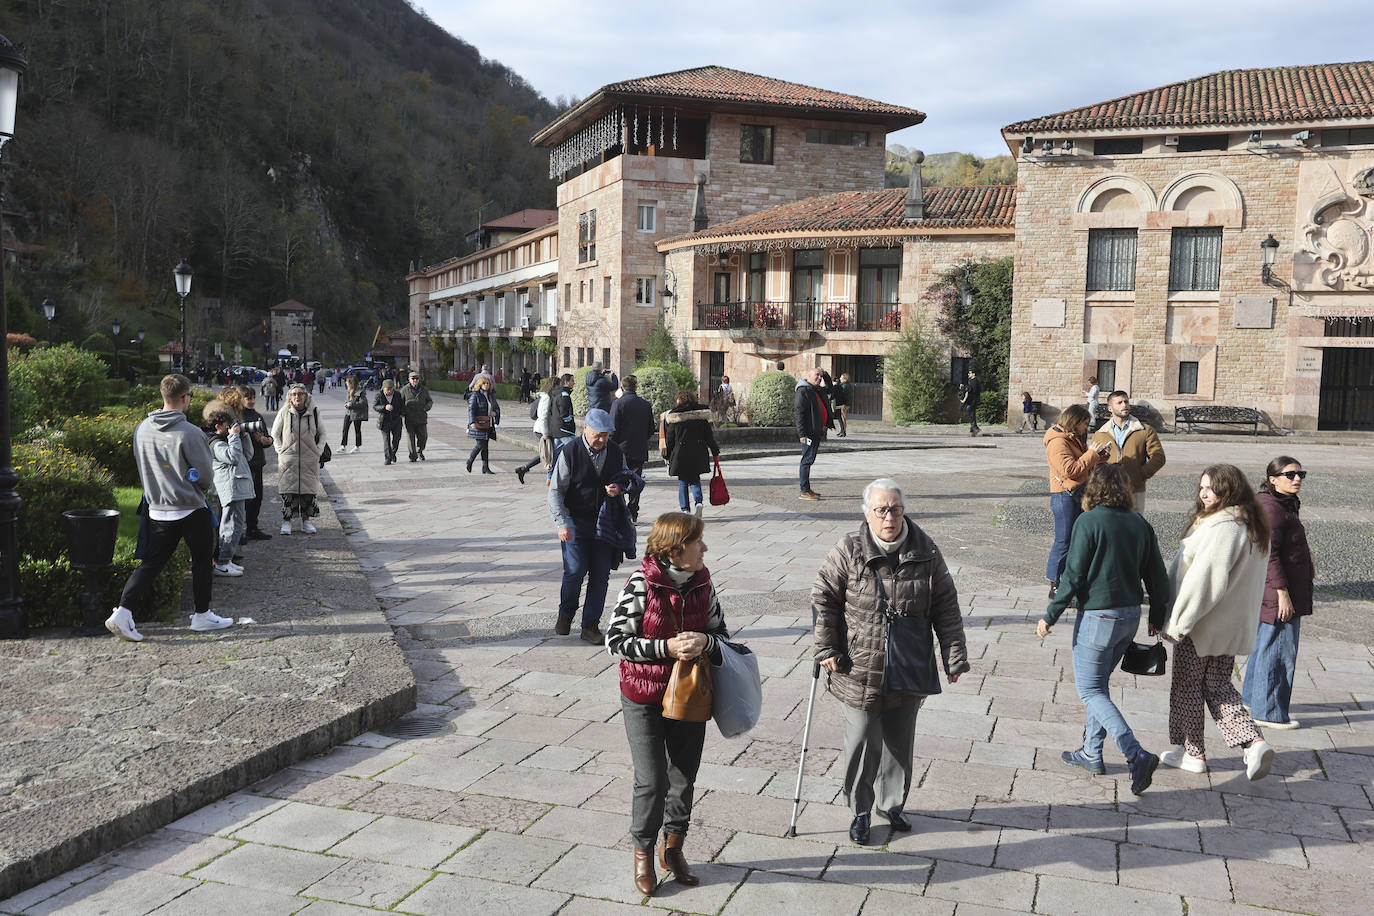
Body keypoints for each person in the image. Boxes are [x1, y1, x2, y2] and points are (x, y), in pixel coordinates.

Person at [813, 479, 970, 845]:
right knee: (863, 740)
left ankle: (891, 803)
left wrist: (954, 656)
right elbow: (823, 598)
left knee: (900, 741)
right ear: (867, 513)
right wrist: (826, 649)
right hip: (859, 666)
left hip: (908, 662)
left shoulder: (926, 550)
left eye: (895, 509)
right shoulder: (849, 549)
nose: (889, 517)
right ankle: (861, 810)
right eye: (881, 510)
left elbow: (946, 605)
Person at [607, 511, 729, 895]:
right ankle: (643, 853)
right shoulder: (642, 583)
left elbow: (721, 634)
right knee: (652, 779)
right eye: (698, 542)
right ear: (676, 549)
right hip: (643, 695)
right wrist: (666, 647)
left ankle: (672, 849)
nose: (704, 547)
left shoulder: (704, 584)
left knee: (684, 774)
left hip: (689, 695)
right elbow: (615, 640)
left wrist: (705, 643)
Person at [1038, 464, 1170, 795]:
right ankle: (1091, 753)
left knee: (1090, 690)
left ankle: (1135, 753)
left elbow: (1073, 575)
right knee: (1100, 687)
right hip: (1129, 617)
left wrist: (1050, 614)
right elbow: (1157, 574)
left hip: (1097, 619)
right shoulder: (1139, 523)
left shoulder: (1089, 521)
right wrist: (1157, 614)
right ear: (1124, 489)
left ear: (1093, 488)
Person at [1160, 464, 1275, 780]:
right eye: (1201, 487)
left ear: (1230, 490)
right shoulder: (1250, 525)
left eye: (1211, 487)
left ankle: (1193, 752)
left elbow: (1205, 581)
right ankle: (1253, 743)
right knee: (1217, 685)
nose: (1204, 493)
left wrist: (1178, 623)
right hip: (1230, 627)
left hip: (1202, 625)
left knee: (1188, 687)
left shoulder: (1223, 527)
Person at [104, 374, 234, 640]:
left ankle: (123, 612)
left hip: (157, 508)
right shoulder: (190, 432)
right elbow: (207, 478)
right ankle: (201, 615)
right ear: (185, 398)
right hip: (189, 507)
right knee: (201, 561)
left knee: (151, 563)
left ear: (163, 396)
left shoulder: (142, 428)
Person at [1242, 457, 1314, 730]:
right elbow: (1268, 554)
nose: (1297, 479)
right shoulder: (1273, 509)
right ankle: (1268, 711)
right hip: (1280, 592)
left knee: (1265, 645)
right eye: (1290, 474)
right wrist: (1282, 593)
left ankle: (1252, 699)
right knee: (1280, 651)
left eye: (1300, 474)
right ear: (1272, 479)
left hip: (1274, 589)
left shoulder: (1279, 504)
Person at [548, 407, 628, 642]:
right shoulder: (569, 451)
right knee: (574, 571)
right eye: (598, 435)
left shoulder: (614, 452)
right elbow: (555, 491)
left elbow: (628, 477)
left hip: (605, 523)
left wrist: (620, 487)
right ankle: (566, 613)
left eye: (606, 435)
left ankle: (590, 626)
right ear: (586, 429)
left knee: (600, 575)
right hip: (574, 520)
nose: (602, 440)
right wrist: (562, 523)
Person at [1043, 404, 1111, 599]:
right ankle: (1055, 585)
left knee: (1078, 540)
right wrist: (1091, 454)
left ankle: (1074, 580)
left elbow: (1082, 463)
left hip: (1078, 493)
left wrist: (1099, 457)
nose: (1086, 428)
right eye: (1084, 423)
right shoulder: (1058, 442)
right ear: (1074, 421)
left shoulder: (1072, 438)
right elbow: (1070, 470)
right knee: (1063, 540)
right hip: (1065, 496)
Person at [1090, 390, 1165, 514]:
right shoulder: (1100, 434)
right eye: (1119, 403)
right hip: (1108, 490)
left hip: (1135, 489)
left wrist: (1140, 475)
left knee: (1134, 527)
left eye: (1126, 402)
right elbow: (1093, 462)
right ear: (1110, 408)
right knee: (1112, 528)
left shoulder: (1144, 430)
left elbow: (1158, 457)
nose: (1124, 405)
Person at [203, 400, 255, 576]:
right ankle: (222, 563)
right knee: (230, 526)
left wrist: (244, 436)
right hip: (229, 489)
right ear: (218, 426)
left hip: (237, 487)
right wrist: (234, 436)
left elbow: (247, 455)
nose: (231, 428)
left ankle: (228, 560)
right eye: (228, 426)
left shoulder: (228, 439)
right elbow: (232, 457)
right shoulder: (215, 442)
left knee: (237, 525)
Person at [271, 384, 324, 535]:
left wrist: (318, 450)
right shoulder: (284, 412)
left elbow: (323, 433)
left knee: (308, 491)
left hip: (309, 458)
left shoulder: (314, 411)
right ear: (289, 396)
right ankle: (286, 522)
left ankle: (306, 521)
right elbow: (275, 433)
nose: (297, 396)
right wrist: (280, 450)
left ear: (305, 396)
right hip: (289, 458)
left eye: (300, 393)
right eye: (294, 394)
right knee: (288, 491)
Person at [663, 390, 719, 518]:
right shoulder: (701, 417)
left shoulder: (675, 418)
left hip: (680, 454)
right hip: (698, 453)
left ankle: (685, 510)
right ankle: (698, 503)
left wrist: (666, 456)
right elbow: (709, 437)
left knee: (683, 482)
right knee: (695, 480)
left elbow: (669, 441)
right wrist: (715, 451)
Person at [610, 374, 654, 520]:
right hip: (639, 448)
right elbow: (650, 429)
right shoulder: (645, 404)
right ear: (636, 386)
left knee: (619, 480)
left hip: (620, 449)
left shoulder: (618, 404)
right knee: (635, 481)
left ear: (622, 388)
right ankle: (633, 512)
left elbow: (613, 428)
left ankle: (620, 511)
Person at [236, 386, 274, 541]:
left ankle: (252, 528)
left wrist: (266, 440)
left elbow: (268, 438)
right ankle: (240, 532)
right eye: (248, 398)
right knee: (245, 499)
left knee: (257, 497)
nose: (251, 401)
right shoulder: (238, 416)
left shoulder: (258, 416)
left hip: (258, 461)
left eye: (253, 398)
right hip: (245, 463)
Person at [516, 376, 559, 486]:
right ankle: (550, 478)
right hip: (543, 430)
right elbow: (543, 416)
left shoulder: (547, 396)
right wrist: (545, 434)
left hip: (544, 429)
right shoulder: (547, 398)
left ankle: (524, 469)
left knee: (547, 453)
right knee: (550, 454)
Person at [795, 366, 829, 500]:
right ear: (808, 376)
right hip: (808, 433)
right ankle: (804, 491)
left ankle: (807, 489)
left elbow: (830, 389)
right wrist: (802, 434)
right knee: (807, 460)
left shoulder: (815, 390)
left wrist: (825, 374)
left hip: (816, 431)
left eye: (820, 376)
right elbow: (799, 413)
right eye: (817, 375)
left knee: (809, 459)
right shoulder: (803, 391)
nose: (819, 378)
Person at [466, 374, 500, 474]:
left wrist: (495, 414)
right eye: (484, 383)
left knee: (485, 447)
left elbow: (496, 408)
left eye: (488, 383)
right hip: (479, 424)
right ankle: (470, 460)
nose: (486, 385)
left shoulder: (490, 395)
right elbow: (471, 409)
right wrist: (472, 422)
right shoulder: (475, 395)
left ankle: (485, 467)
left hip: (488, 424)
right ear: (480, 384)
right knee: (480, 445)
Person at [400, 370, 433, 462]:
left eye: (417, 378)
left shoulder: (424, 389)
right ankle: (412, 455)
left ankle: (420, 451)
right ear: (409, 379)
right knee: (410, 438)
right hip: (409, 417)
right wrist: (403, 412)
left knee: (423, 437)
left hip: (421, 417)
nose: (415, 380)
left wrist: (426, 407)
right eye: (413, 378)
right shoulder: (404, 390)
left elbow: (429, 401)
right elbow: (400, 402)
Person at [374, 378, 404, 466]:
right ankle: (387, 458)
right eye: (388, 389)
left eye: (391, 389)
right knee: (386, 440)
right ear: (383, 388)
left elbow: (402, 406)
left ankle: (393, 453)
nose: (390, 391)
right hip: (384, 421)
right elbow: (375, 406)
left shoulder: (397, 394)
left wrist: (402, 413)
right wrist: (384, 407)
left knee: (397, 439)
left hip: (396, 420)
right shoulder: (379, 395)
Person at [341, 375, 367, 454]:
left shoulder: (360, 391)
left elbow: (363, 403)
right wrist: (346, 404)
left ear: (351, 383)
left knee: (357, 430)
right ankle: (343, 446)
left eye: (347, 381)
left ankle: (357, 446)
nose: (346, 383)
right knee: (345, 429)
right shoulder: (348, 390)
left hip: (356, 413)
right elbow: (346, 400)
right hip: (348, 412)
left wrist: (351, 405)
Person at [960, 368, 981, 435]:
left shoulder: (974, 381)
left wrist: (964, 388)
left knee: (968, 413)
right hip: (972, 401)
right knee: (972, 414)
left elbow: (971, 390)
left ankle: (975, 427)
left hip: (972, 401)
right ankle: (973, 429)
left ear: (973, 374)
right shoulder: (973, 381)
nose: (968, 374)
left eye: (970, 373)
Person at [831, 372, 851, 437]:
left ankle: (843, 431)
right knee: (841, 417)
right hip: (846, 403)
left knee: (842, 418)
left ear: (845, 379)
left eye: (841, 377)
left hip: (844, 404)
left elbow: (842, 395)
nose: (840, 378)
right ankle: (843, 430)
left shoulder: (844, 386)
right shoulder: (847, 385)